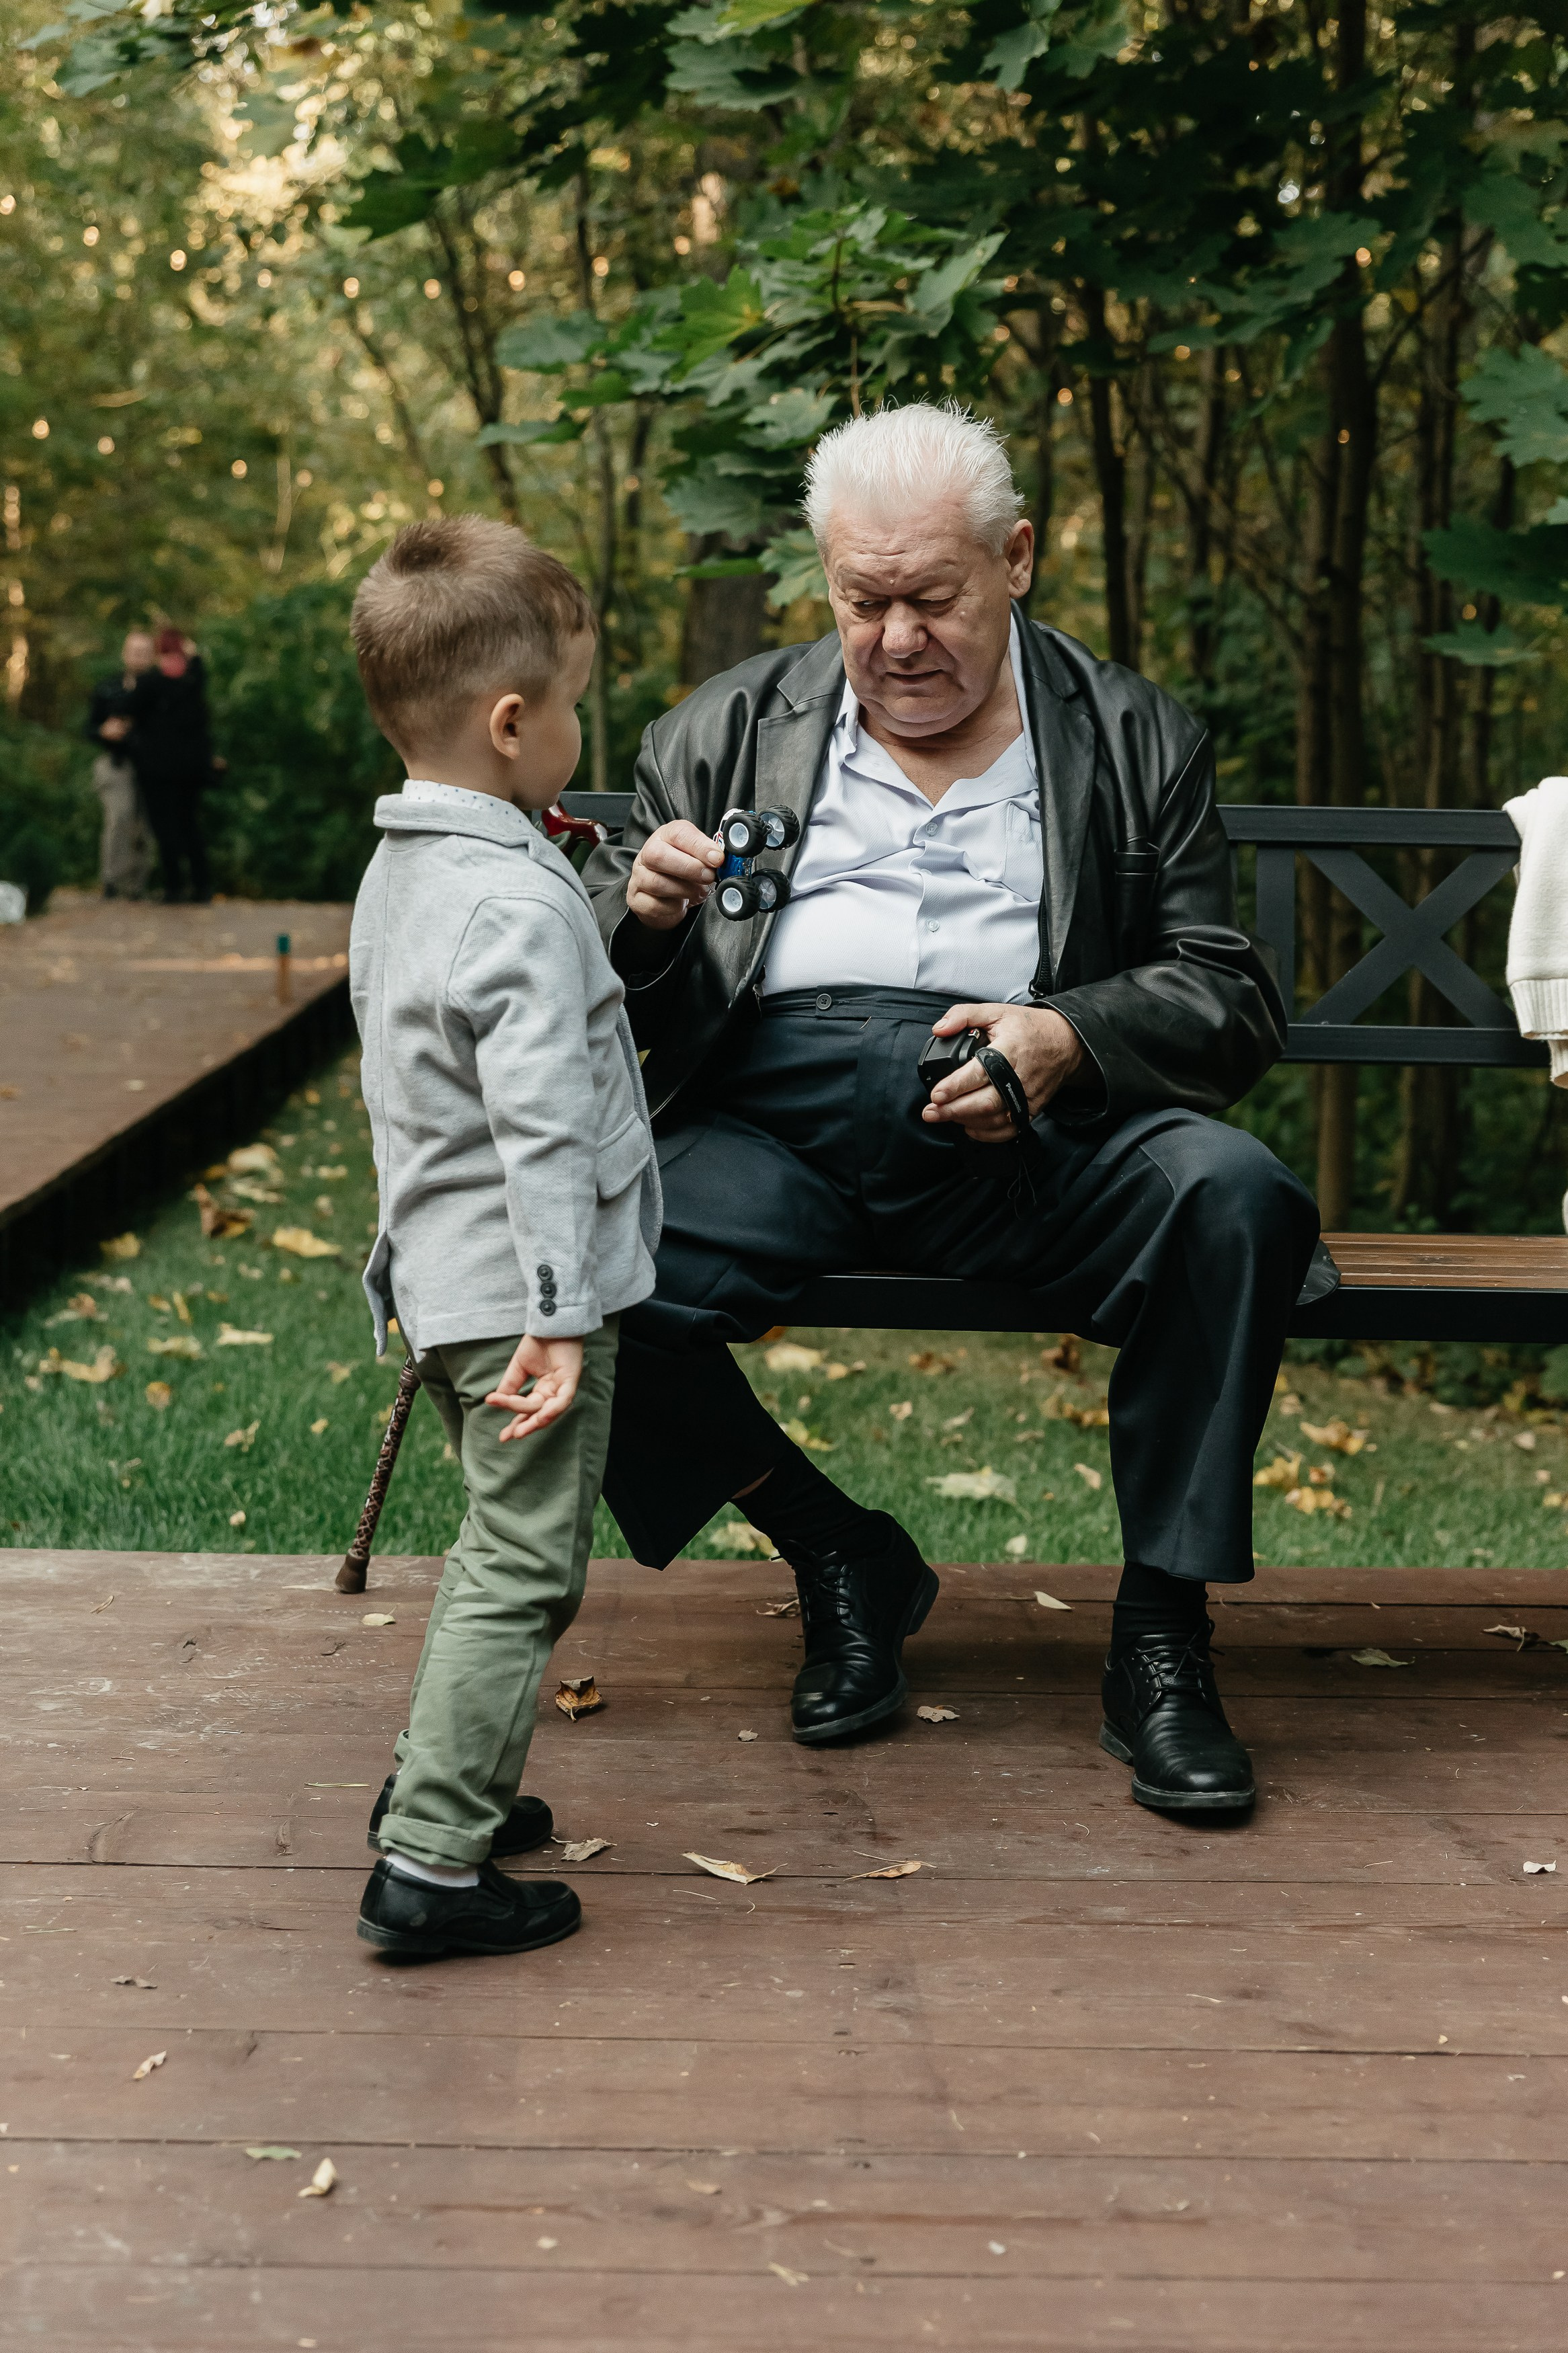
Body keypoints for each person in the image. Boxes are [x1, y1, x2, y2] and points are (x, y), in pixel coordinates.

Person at [584, 401, 1327, 1814]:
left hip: (1036, 1130)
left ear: (1017, 561)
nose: (896, 637)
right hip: (774, 1127)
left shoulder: (1129, 733)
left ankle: (1160, 1638)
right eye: (864, 600)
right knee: (563, 1243)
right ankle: (834, 1553)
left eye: (932, 595)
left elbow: (1224, 990)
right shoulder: (722, 727)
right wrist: (635, 916)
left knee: (1234, 1198)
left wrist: (1068, 1033)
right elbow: (603, 988)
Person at [348, 515, 661, 1959]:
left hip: (444, 1270)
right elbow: (537, 1128)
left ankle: (445, 1776)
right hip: (523, 1294)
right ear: (511, 719)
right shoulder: (516, 903)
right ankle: (430, 1863)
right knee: (526, 1558)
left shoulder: (399, 871)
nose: (578, 729)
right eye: (577, 702)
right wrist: (559, 1311)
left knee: (494, 1541)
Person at [129, 627, 218, 904]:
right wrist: (195, 656)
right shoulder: (192, 682)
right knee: (189, 825)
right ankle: (201, 886)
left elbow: (129, 712)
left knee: (166, 828)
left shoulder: (150, 682)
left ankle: (174, 887)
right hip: (189, 770)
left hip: (158, 770)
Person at [84, 627, 156, 901]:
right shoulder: (108, 687)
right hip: (116, 763)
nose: (139, 657)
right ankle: (111, 881)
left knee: (144, 826)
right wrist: (104, 731)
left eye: (145, 652)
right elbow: (89, 727)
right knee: (119, 818)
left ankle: (136, 886)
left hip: (150, 765)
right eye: (134, 652)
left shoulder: (161, 689)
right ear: (125, 654)